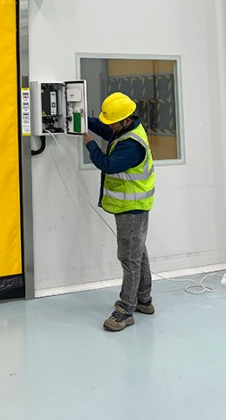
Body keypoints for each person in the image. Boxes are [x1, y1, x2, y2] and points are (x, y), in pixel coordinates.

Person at [82, 92, 155, 332]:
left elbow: (108, 164)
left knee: (129, 258)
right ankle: (144, 300)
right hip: (133, 205)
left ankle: (125, 310)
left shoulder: (131, 144)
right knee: (138, 252)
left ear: (125, 119)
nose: (109, 125)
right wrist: (81, 120)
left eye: (112, 121)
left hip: (131, 208)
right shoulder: (125, 129)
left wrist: (90, 144)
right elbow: (105, 129)